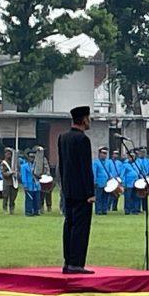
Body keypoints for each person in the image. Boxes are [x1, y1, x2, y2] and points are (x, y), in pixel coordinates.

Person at [57, 106, 96, 274]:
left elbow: (62, 165)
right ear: (84, 119)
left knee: (69, 225)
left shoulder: (63, 138)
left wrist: (64, 186)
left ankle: (68, 261)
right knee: (81, 228)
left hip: (68, 189)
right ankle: (76, 263)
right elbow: (85, 168)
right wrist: (90, 193)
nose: (90, 121)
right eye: (89, 118)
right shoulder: (83, 139)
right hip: (81, 191)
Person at [92, 147, 112, 215]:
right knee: (98, 198)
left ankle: (104, 210)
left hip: (107, 183)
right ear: (100, 154)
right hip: (99, 182)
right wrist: (94, 181)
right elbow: (94, 173)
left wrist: (111, 177)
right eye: (103, 153)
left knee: (106, 197)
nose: (105, 155)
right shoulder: (95, 162)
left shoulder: (108, 162)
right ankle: (98, 210)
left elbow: (110, 171)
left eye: (105, 153)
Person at [21, 151, 41, 217]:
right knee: (29, 199)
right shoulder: (24, 166)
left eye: (33, 157)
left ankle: (36, 211)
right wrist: (25, 185)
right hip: (29, 185)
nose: (32, 158)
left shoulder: (37, 166)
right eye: (31, 157)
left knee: (36, 199)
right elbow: (24, 176)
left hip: (36, 185)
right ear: (28, 158)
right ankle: (28, 211)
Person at [0, 148, 18, 215]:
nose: (8, 155)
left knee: (13, 197)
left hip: (14, 182)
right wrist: (10, 173)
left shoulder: (14, 163)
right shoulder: (3, 163)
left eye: (10, 154)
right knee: (5, 196)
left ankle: (12, 209)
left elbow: (18, 170)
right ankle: (5, 209)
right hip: (7, 182)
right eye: (7, 153)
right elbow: (3, 173)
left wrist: (17, 174)